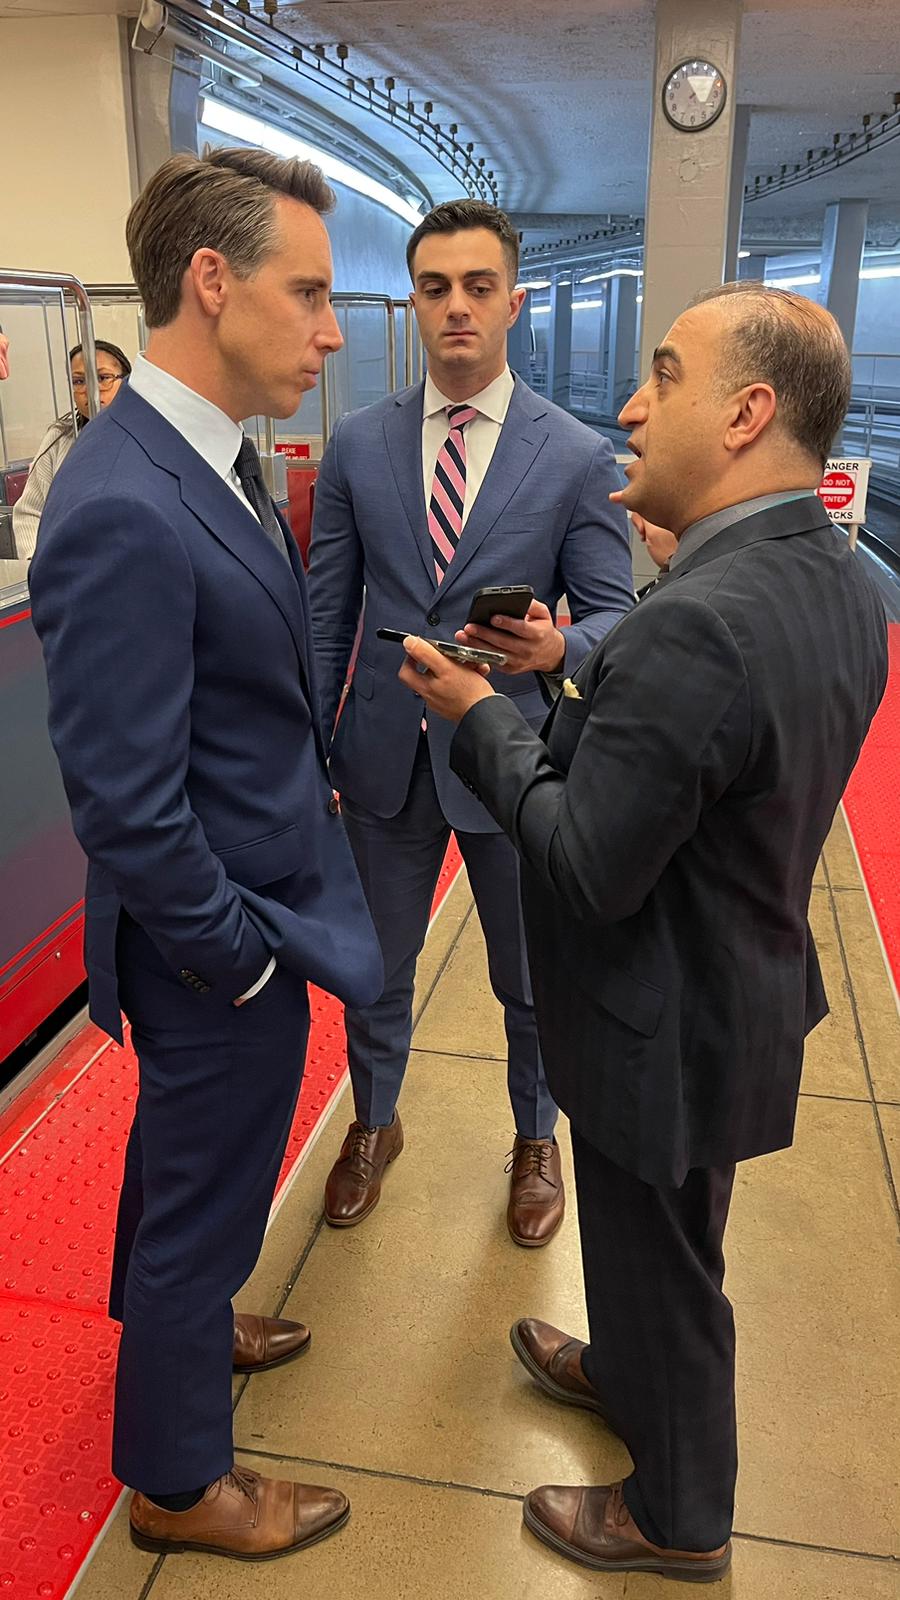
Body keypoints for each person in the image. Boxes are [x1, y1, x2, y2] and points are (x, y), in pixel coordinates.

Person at [399, 282, 889, 1582]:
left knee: (667, 1265)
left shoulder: (700, 622)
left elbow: (584, 862)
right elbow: (708, 758)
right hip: (733, 994)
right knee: (654, 1237)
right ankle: (624, 1368)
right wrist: (570, 655)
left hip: (656, 1018)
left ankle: (679, 1516)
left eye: (662, 376)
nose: (630, 404)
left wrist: (478, 713)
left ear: (745, 413)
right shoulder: (826, 578)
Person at [29, 147, 383, 1564]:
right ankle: (179, 1478)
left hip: (243, 907)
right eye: (309, 292)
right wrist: (233, 958)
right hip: (211, 935)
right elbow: (120, 795)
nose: (333, 327)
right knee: (202, 1182)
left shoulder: (204, 458)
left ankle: (186, 1330)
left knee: (203, 1171)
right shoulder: (124, 499)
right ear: (212, 280)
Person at [308, 200, 634, 1245]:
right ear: (415, 300)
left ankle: (536, 1138)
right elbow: (328, 608)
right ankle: (375, 1119)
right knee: (377, 964)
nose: (457, 307)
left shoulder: (576, 455)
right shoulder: (357, 445)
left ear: (513, 302)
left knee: (530, 977)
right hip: (383, 756)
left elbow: (614, 616)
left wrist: (559, 649)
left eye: (478, 287)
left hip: (512, 755)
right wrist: (314, 742)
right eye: (437, 287)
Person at [13, 341, 131, 558]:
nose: (90, 391)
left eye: (103, 378)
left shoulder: (143, 435)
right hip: (66, 571)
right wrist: (36, 563)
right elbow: (29, 511)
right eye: (79, 381)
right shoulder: (59, 437)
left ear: (125, 381)